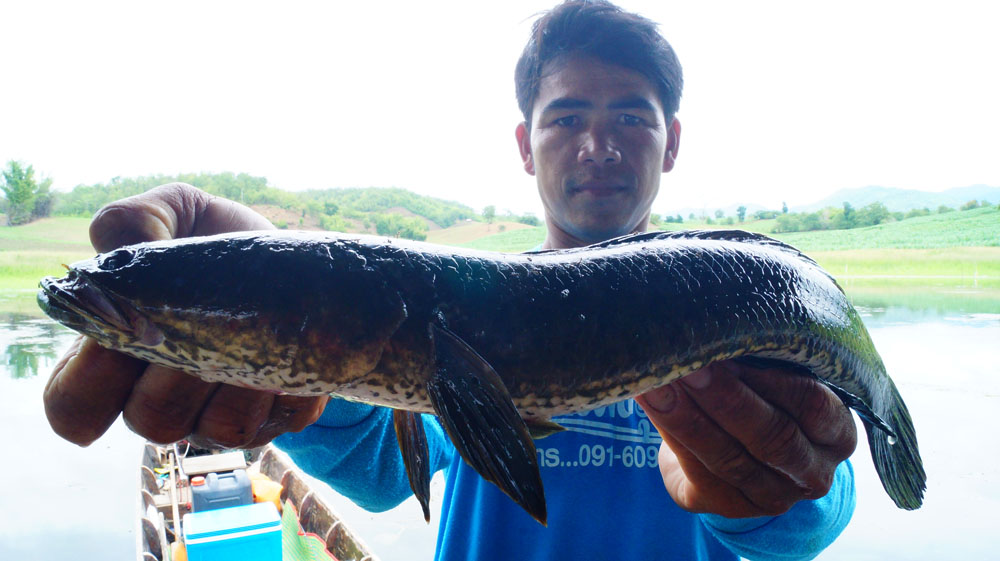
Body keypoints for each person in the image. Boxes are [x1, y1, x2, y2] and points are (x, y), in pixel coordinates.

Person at [43, 1, 858, 559]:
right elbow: (386, 469)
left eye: (631, 118)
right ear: (524, 141)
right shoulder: (454, 308)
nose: (598, 146)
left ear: (671, 140)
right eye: (568, 117)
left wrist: (778, 488)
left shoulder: (722, 301)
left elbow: (813, 518)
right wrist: (294, 372)